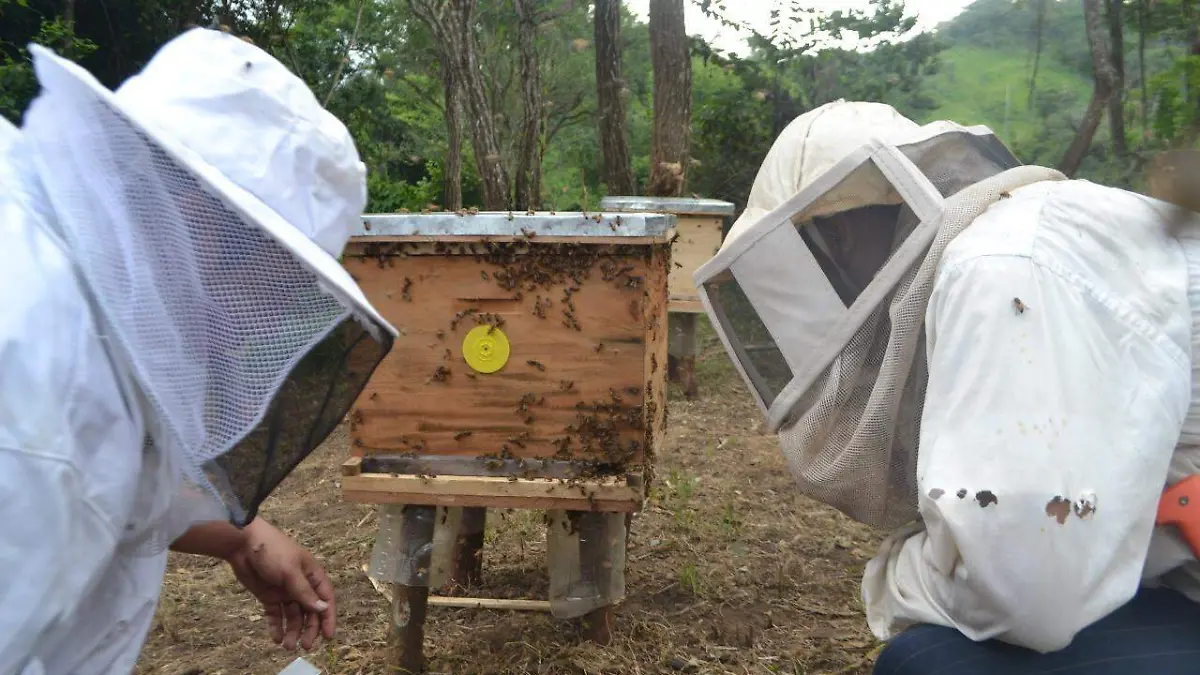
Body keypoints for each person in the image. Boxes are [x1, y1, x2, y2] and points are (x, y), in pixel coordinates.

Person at [694, 99, 1200, 674]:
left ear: (838, 235)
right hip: (1176, 580)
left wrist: (888, 582)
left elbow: (1023, 587)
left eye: (812, 254)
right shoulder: (1019, 242)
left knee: (931, 663)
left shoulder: (997, 267)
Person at [0, 27, 396, 673]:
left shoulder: (75, 268)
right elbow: (69, 469)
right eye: (282, 286)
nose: (266, 322)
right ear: (203, 231)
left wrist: (237, 538)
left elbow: (111, 484)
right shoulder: (40, 406)